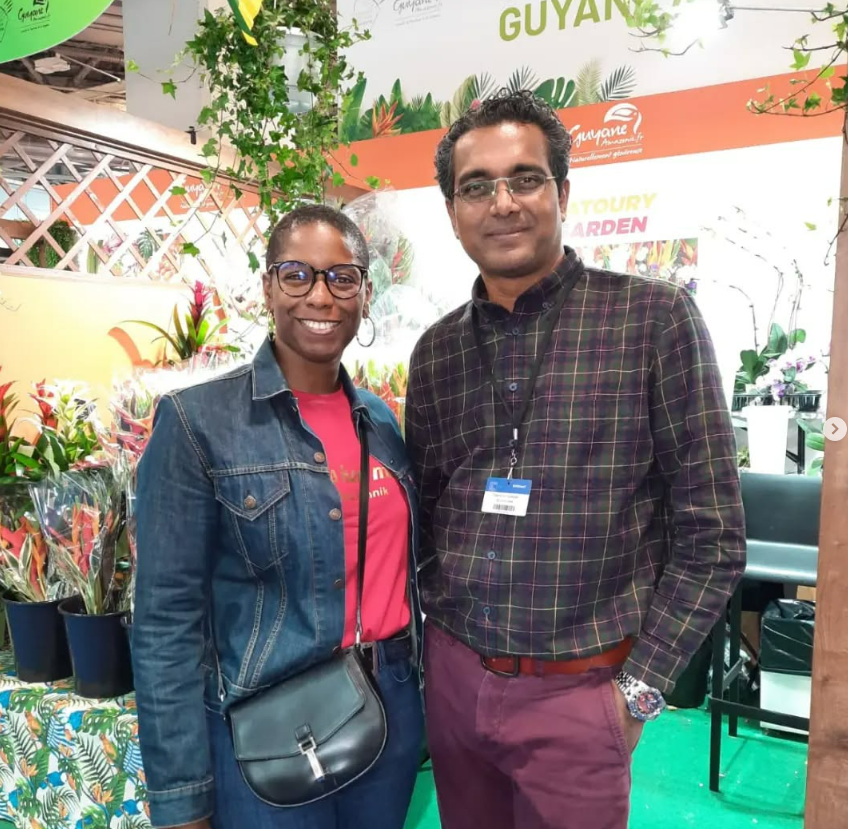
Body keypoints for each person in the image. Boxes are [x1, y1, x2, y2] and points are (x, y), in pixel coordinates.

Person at [404, 90, 746, 829]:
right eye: (476, 186)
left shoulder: (653, 321)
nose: (503, 203)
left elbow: (713, 533)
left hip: (584, 693)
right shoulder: (435, 353)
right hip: (457, 683)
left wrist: (639, 691)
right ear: (452, 209)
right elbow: (426, 516)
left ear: (561, 191)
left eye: (525, 178)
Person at [133, 204, 424, 829]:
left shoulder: (380, 420)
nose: (320, 295)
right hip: (271, 727)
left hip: (390, 713)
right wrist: (180, 798)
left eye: (341, 277)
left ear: (365, 293)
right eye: (297, 275)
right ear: (267, 286)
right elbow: (164, 625)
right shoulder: (197, 423)